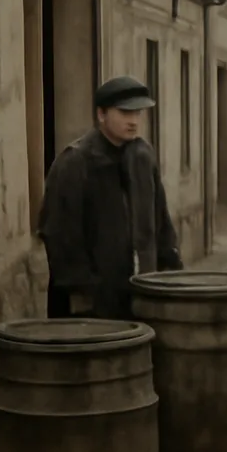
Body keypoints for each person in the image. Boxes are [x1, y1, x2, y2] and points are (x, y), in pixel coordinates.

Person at [38, 75, 182, 319]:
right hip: (93, 302)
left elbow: (160, 218)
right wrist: (81, 292)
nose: (133, 121)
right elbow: (59, 233)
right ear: (101, 115)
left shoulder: (143, 158)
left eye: (138, 113)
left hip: (141, 293)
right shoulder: (75, 163)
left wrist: (170, 268)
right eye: (125, 112)